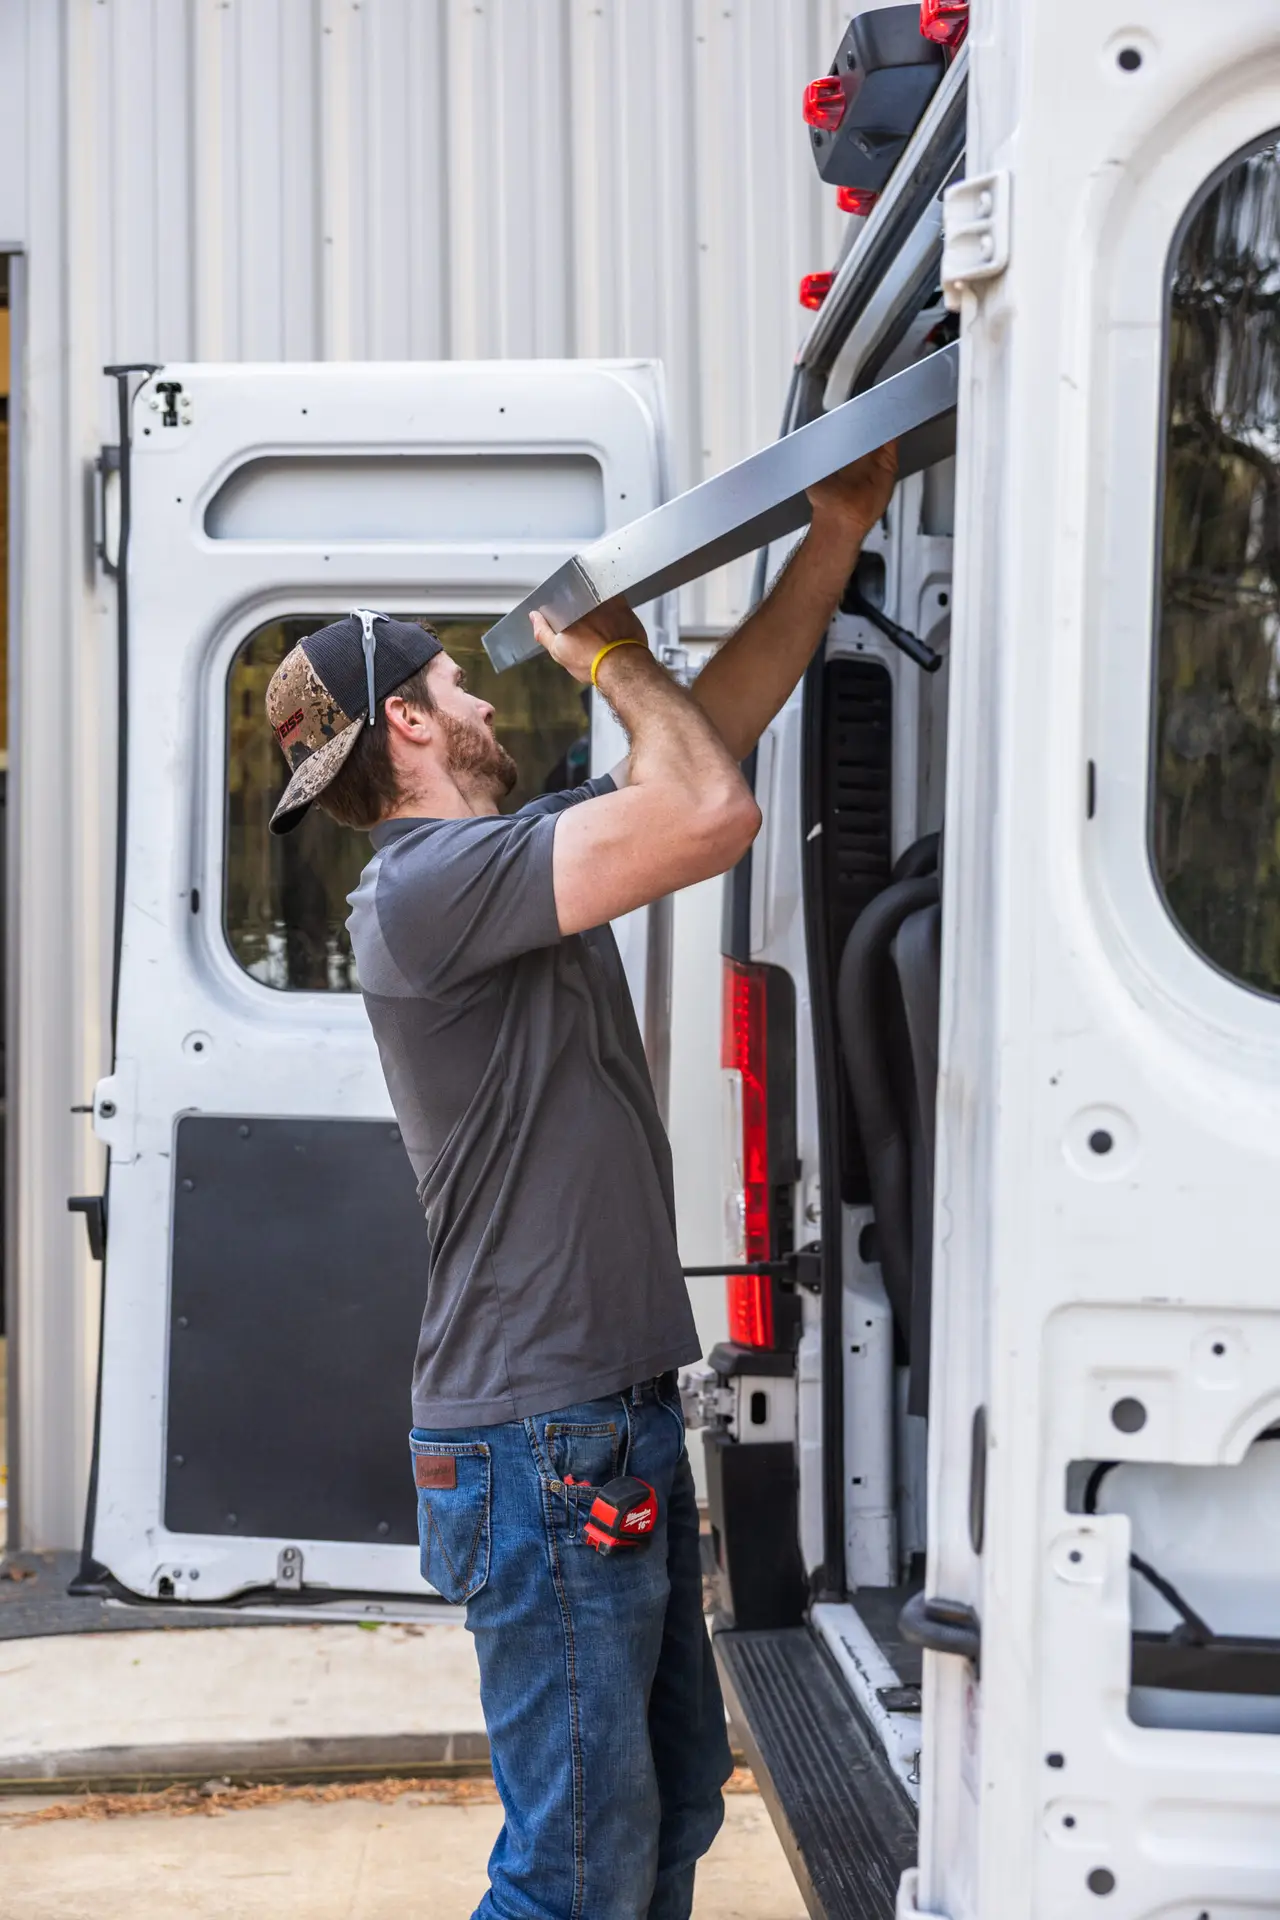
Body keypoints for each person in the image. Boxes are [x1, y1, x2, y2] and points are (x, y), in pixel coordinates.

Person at [263, 441, 898, 1920]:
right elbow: (710, 812)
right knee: (570, 1876)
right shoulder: (428, 893)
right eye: (463, 688)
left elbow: (707, 747)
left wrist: (831, 541)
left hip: (589, 1427)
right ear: (409, 723)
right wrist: (606, 647)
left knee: (663, 1820)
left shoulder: (496, 867)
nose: (494, 700)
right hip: (540, 1446)